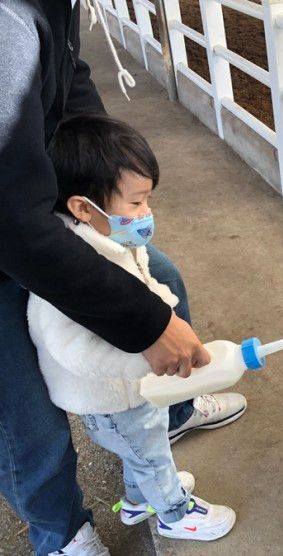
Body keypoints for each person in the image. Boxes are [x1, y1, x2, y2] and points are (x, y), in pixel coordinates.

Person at [0, 2, 242, 553]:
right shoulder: (6, 23)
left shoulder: (48, 9)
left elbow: (67, 73)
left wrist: (107, 167)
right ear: (84, 210)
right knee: (26, 423)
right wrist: (147, 331)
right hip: (15, 224)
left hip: (40, 204)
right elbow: (11, 220)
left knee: (163, 275)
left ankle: (173, 409)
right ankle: (61, 536)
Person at [28, 113, 237, 543]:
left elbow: (142, 283)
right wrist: (140, 356)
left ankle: (138, 501)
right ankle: (173, 513)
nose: (147, 213)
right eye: (137, 202)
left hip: (132, 392)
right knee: (153, 454)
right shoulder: (67, 270)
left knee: (143, 449)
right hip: (111, 399)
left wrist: (166, 312)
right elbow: (73, 350)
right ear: (83, 208)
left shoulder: (110, 241)